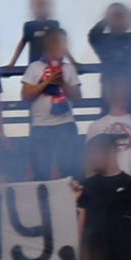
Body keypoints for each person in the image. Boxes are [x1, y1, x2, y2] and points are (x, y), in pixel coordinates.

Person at [22, 27, 82, 179]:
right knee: (41, 171)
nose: (63, 47)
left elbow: (77, 97)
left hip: (65, 124)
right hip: (40, 126)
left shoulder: (68, 68)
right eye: (59, 42)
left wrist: (62, 83)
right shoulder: (34, 67)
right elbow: (25, 95)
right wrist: (47, 82)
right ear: (49, 44)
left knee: (69, 170)